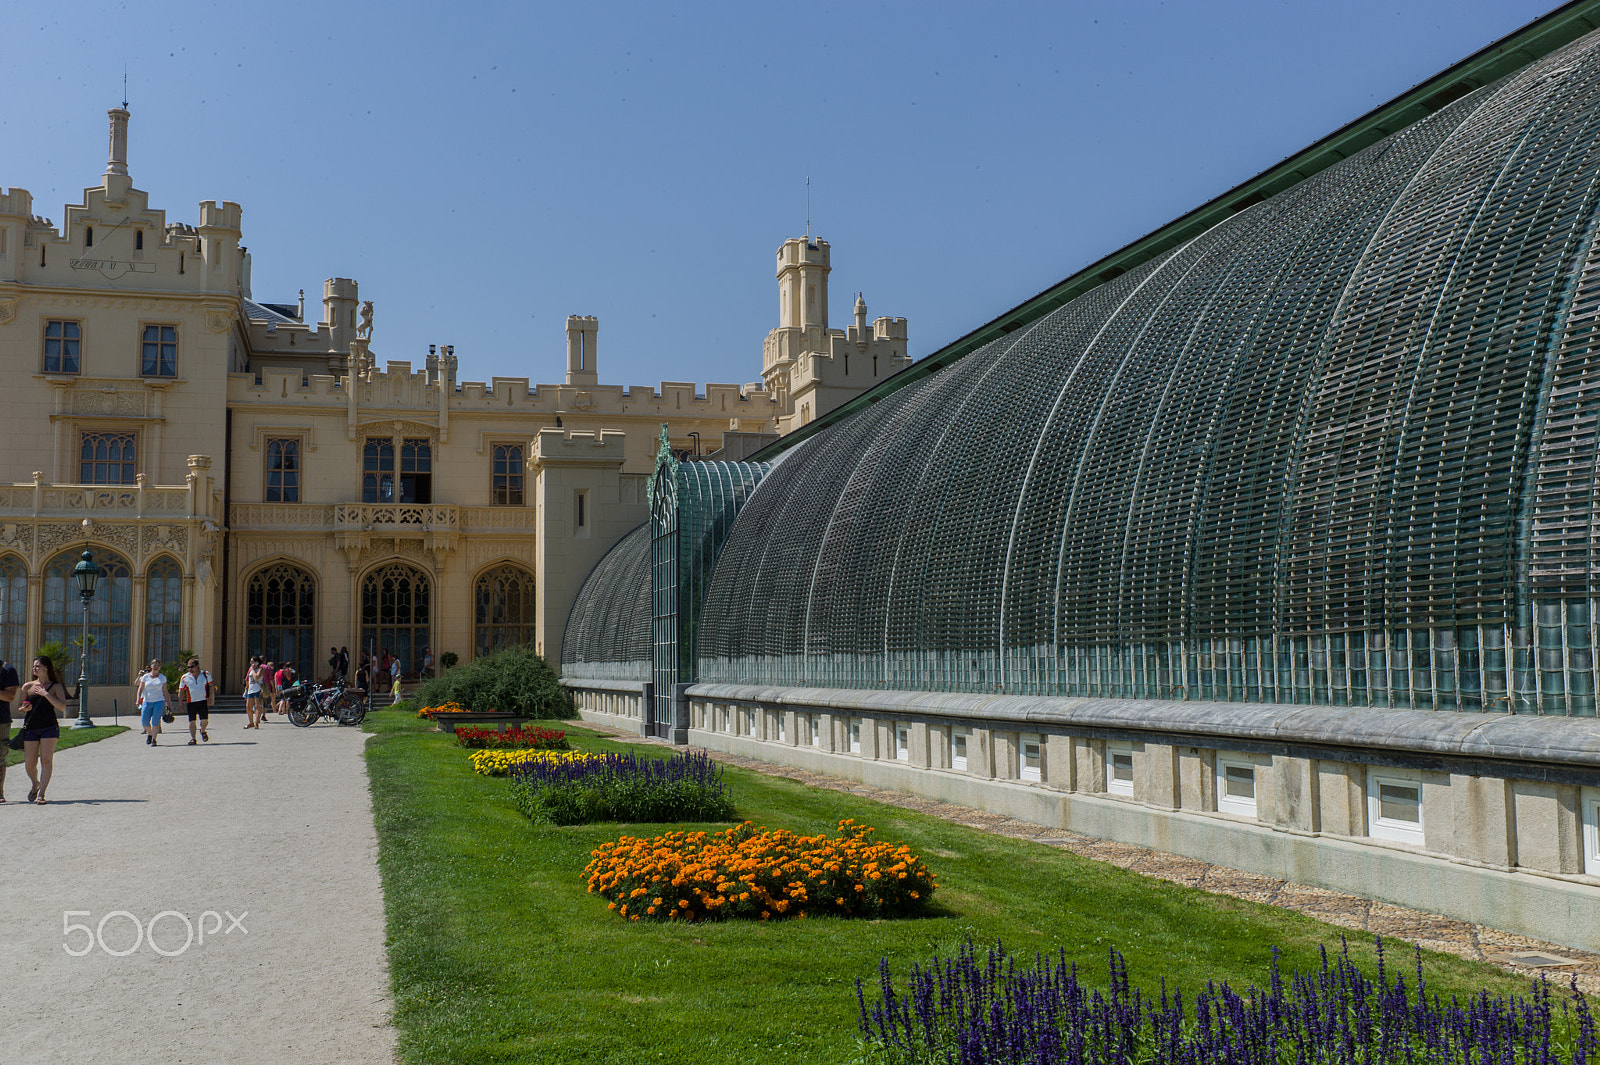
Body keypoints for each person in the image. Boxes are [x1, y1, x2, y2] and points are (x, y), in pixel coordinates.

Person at [18, 656, 67, 804]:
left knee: (46, 760)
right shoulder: (27, 686)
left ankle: (42, 794)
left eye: (37, 666)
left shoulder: (56, 687)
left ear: (46, 668)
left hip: (49, 727)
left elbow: (62, 706)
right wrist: (24, 708)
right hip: (31, 728)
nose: (34, 669)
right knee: (29, 763)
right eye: (34, 666)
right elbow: (20, 707)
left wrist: (46, 694)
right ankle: (35, 784)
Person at [134, 659, 171, 746]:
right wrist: (138, 699)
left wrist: (168, 702)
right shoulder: (145, 677)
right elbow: (140, 688)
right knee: (144, 722)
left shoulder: (162, 677)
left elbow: (165, 690)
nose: (156, 667)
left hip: (159, 701)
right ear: (151, 666)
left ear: (160, 667)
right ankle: (150, 734)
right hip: (147, 701)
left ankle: (154, 739)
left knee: (155, 721)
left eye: (158, 665)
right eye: (154, 665)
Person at [178, 658, 212, 745]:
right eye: (188, 667)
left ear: (197, 666)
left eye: (192, 666)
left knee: (204, 720)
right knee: (192, 721)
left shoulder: (205, 674)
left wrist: (210, 697)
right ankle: (193, 738)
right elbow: (181, 690)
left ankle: (203, 730)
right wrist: (180, 702)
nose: (190, 668)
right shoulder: (185, 677)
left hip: (203, 700)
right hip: (191, 702)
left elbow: (211, 685)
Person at [0, 657, 19, 802]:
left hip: (1, 721)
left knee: (0, 757)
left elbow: (10, 696)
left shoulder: (8, 670)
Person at [243, 655, 266, 729]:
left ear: (256, 662)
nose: (250, 663)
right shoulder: (250, 669)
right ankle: (251, 722)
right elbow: (247, 679)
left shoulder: (261, 669)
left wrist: (253, 670)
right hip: (250, 690)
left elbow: (256, 677)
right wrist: (246, 688)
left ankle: (256, 722)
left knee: (257, 706)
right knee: (248, 706)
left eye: (252, 661)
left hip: (258, 689)